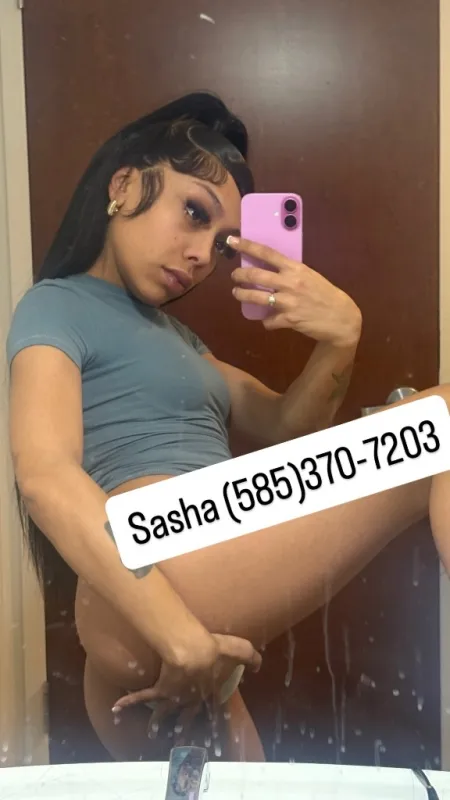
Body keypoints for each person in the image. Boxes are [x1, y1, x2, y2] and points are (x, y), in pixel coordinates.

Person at [6, 91, 450, 763]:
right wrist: (181, 637)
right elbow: (44, 475)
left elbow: (286, 428)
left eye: (219, 243)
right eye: (193, 212)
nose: (200, 255)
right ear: (123, 186)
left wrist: (341, 339)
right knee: (439, 421)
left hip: (188, 596)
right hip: (159, 577)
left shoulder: (182, 341)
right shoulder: (55, 305)